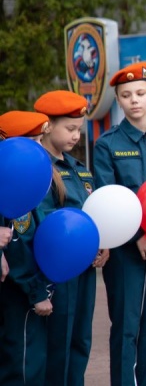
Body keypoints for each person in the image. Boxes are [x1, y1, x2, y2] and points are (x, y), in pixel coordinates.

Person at [92, 61, 146, 386]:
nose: (134, 100)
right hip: (127, 250)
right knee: (127, 326)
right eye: (126, 95)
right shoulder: (107, 145)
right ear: (119, 100)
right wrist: (138, 235)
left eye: (141, 93)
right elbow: (106, 198)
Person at [34, 90, 109, 385]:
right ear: (47, 126)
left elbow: (92, 214)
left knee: (80, 341)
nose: (76, 136)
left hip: (84, 270)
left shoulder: (80, 171)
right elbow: (45, 221)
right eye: (70, 128)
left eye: (79, 129)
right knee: (58, 346)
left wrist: (102, 246)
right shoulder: (40, 169)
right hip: (57, 271)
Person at [0, 111, 53, 385]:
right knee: (22, 366)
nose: (42, 150)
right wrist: (37, 293)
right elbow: (19, 251)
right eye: (35, 142)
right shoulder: (13, 188)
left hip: (22, 292)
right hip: (19, 297)